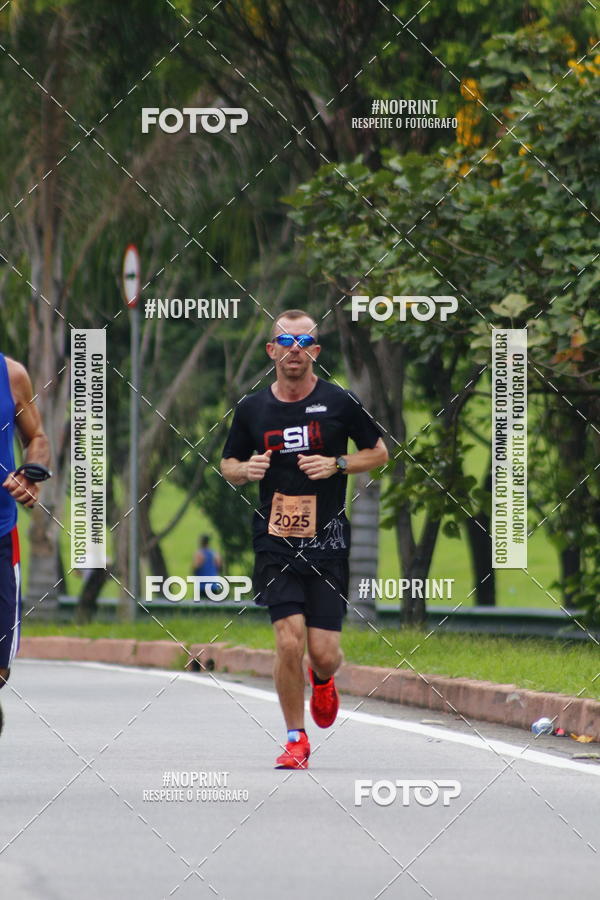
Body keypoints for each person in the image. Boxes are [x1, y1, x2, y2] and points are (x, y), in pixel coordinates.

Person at [220, 309, 388, 768]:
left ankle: (324, 680)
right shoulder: (252, 408)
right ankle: (296, 738)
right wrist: (245, 470)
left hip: (328, 540)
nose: (294, 350)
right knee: (288, 642)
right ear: (271, 350)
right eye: (285, 342)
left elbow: (379, 453)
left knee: (323, 653)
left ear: (315, 350)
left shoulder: (340, 402)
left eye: (303, 342)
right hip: (274, 540)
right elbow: (227, 464)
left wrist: (337, 464)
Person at [0, 354, 51, 735]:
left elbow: (36, 438)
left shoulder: (12, 374)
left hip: (1, 534)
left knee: (1, 669)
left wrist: (30, 475)